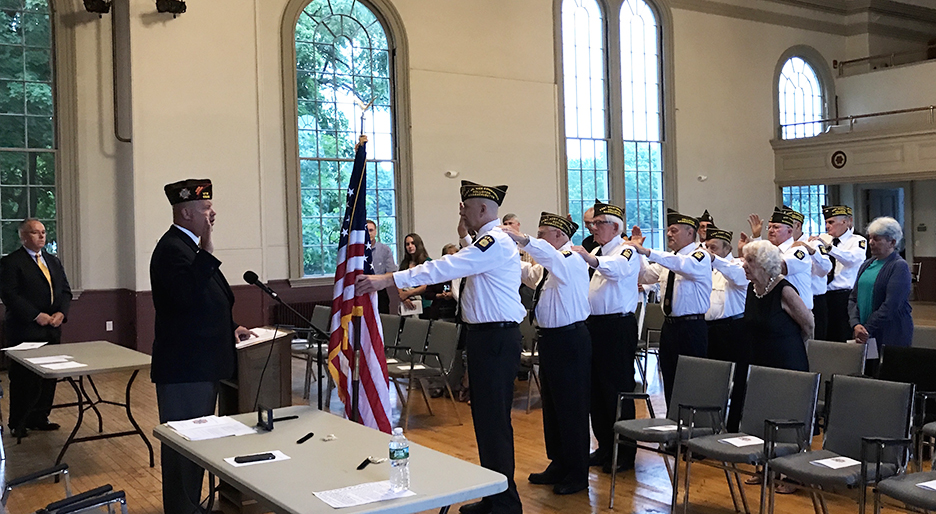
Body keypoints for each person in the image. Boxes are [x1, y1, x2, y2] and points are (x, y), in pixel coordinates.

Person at [356, 180, 525, 514]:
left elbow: (449, 266)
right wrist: (463, 234)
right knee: (485, 421)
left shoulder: (496, 241)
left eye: (466, 206)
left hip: (496, 339)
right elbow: (469, 258)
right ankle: (495, 495)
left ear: (482, 210)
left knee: (493, 422)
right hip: (484, 337)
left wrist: (389, 279)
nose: (461, 210)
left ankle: (505, 502)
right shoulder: (484, 242)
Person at [150, 179, 254, 514]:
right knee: (184, 445)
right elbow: (181, 299)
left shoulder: (188, 248)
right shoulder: (172, 249)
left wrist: (229, 327)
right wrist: (207, 249)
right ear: (185, 212)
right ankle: (183, 509)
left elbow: (203, 303)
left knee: (196, 444)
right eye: (206, 208)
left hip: (200, 364)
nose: (212, 213)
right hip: (185, 368)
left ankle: (190, 506)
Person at [505, 212, 591, 495]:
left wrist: (523, 239)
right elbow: (522, 270)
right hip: (551, 340)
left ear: (560, 236)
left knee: (572, 408)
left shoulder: (571, 259)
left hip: (570, 340)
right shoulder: (546, 266)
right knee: (553, 406)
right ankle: (559, 462)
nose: (539, 238)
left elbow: (548, 257)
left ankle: (577, 473)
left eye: (543, 234)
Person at [572, 200, 641, 475]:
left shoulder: (626, 251)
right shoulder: (599, 250)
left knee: (616, 390)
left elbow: (617, 269)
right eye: (592, 223)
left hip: (617, 326)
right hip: (594, 325)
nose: (594, 228)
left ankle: (624, 451)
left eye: (599, 223)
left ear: (614, 227)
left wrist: (592, 259)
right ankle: (604, 446)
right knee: (596, 391)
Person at [628, 209, 711, 406]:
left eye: (674, 230)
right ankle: (673, 423)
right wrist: (640, 253)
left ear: (690, 232)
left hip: (692, 328)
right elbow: (644, 276)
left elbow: (683, 264)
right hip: (670, 327)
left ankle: (694, 426)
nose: (668, 234)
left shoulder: (699, 256)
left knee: (692, 382)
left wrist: (649, 252)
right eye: (668, 230)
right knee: (670, 378)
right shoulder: (670, 259)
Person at [0, 218, 72, 438]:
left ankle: (40, 417)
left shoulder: (53, 261)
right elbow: (10, 295)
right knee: (24, 378)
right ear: (23, 236)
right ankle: (19, 422)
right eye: (35, 232)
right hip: (25, 330)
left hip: (51, 328)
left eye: (43, 232)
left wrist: (61, 313)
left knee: (48, 376)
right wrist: (35, 315)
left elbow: (66, 291)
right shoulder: (11, 262)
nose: (41, 236)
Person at [848, 217, 913, 375]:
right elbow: (853, 298)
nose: (871, 242)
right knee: (867, 374)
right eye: (870, 238)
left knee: (887, 374)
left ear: (892, 242)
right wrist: (855, 324)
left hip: (890, 332)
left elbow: (891, 305)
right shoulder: (867, 264)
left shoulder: (899, 266)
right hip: (865, 333)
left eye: (876, 239)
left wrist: (866, 329)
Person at [740, 240, 813, 372]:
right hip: (758, 360)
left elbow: (808, 325)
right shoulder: (753, 287)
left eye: (750, 261)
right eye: (745, 260)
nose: (744, 265)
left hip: (785, 362)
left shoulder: (785, 290)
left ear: (765, 263)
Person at [702, 226, 749, 432]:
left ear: (726, 248)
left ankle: (732, 428)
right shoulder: (707, 269)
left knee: (736, 381)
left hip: (733, 328)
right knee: (712, 380)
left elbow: (737, 276)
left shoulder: (737, 265)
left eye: (713, 247)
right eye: (706, 246)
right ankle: (710, 427)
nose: (708, 251)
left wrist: (713, 259)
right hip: (708, 329)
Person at [741, 208, 813, 311]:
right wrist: (756, 237)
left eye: (776, 227)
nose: (771, 230)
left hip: (797, 311)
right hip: (775, 309)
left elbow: (775, 268)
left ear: (789, 231)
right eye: (769, 227)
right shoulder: (771, 251)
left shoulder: (798, 250)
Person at [821, 205, 867, 342]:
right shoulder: (825, 239)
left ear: (846, 222)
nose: (827, 226)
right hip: (825, 294)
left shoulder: (858, 240)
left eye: (831, 222)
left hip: (845, 295)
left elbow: (851, 260)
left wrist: (829, 248)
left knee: (843, 334)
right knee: (826, 335)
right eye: (826, 223)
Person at [367, 219, 397, 314]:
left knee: (383, 321)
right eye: (366, 230)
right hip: (361, 291)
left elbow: (390, 272)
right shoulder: (356, 251)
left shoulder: (385, 250)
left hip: (380, 291)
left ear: (375, 232)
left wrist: (377, 281)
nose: (368, 233)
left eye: (371, 230)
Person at [398, 233, 431, 314]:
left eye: (413, 243)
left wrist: (408, 294)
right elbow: (398, 282)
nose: (410, 246)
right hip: (406, 303)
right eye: (407, 244)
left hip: (423, 304)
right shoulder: (404, 263)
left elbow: (426, 286)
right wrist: (404, 297)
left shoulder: (427, 262)